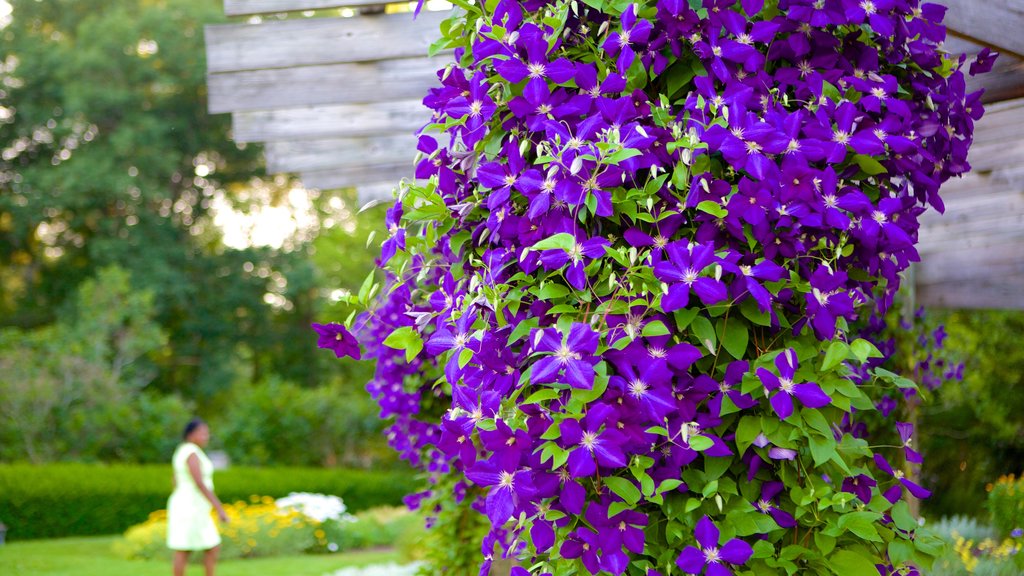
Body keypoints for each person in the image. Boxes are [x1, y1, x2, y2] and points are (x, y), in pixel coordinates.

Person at [167, 418, 228, 576]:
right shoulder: (191, 452)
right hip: (190, 507)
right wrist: (219, 508)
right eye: (203, 433)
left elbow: (175, 479)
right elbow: (200, 483)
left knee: (210, 546)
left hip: (190, 504)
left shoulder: (183, 450)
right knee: (185, 549)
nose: (206, 436)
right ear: (191, 434)